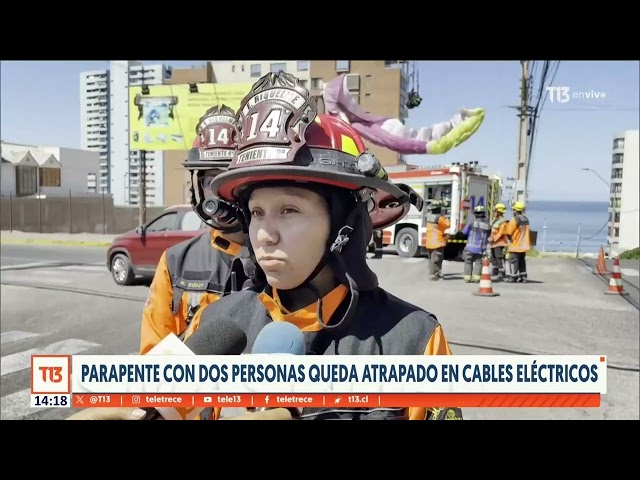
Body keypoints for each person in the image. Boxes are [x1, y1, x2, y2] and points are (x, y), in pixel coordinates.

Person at [192, 71, 462, 421]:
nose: (264, 235)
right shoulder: (215, 324)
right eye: (257, 212)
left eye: (289, 210)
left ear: (344, 225)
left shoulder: (413, 341)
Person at [139, 105, 254, 354]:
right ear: (198, 187)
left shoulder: (279, 258)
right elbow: (152, 357)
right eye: (211, 180)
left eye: (229, 177)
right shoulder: (175, 262)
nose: (221, 191)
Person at [461, 205, 491, 283]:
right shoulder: (487, 225)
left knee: (468, 262)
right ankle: (477, 278)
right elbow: (489, 236)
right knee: (478, 263)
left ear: (475, 214)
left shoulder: (471, 223)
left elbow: (464, 233)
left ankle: (467, 278)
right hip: (481, 249)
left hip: (470, 248)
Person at [505, 201, 531, 283]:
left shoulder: (514, 220)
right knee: (522, 261)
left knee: (513, 261)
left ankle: (513, 277)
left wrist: (507, 225)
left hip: (515, 245)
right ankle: (523, 277)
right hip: (523, 245)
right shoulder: (526, 219)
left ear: (515, 210)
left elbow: (509, 232)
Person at [425, 200, 450, 281]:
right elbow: (447, 224)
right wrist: (444, 213)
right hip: (437, 242)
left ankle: (434, 273)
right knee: (437, 259)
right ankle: (433, 274)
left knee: (432, 259)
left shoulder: (429, 216)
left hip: (429, 242)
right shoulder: (440, 218)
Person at [488, 203, 508, 281]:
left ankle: (501, 272)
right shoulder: (495, 220)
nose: (494, 212)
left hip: (500, 243)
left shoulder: (503, 222)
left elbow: (501, 232)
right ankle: (495, 270)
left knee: (499, 258)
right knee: (493, 258)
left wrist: (494, 239)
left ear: (499, 211)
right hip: (493, 243)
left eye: (495, 211)